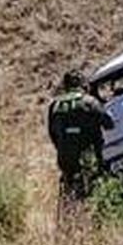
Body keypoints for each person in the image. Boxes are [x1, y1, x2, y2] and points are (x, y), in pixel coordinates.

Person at [47, 69, 113, 201]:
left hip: (65, 157)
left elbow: (52, 134)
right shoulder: (90, 102)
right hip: (88, 155)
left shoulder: (55, 105)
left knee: (69, 190)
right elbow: (109, 123)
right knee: (95, 190)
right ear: (83, 84)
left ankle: (69, 217)